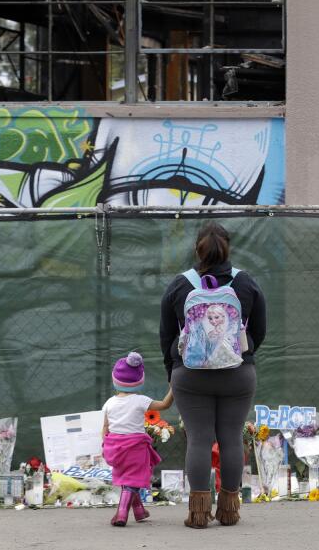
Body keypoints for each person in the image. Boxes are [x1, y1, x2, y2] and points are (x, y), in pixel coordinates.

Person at [159, 222, 266, 529]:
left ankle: (198, 513)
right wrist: (244, 352)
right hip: (238, 373)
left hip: (190, 376)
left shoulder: (180, 285)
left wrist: (173, 372)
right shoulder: (245, 283)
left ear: (197, 249)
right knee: (231, 438)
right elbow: (259, 330)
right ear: (228, 248)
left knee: (199, 440)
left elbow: (166, 336)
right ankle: (230, 510)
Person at [100, 351, 174, 527]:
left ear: (115, 380)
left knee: (127, 479)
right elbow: (165, 404)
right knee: (133, 480)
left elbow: (105, 427)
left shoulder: (109, 403)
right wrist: (174, 387)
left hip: (115, 448)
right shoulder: (141, 401)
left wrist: (106, 444)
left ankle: (140, 511)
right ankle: (122, 513)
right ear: (139, 380)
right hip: (135, 447)